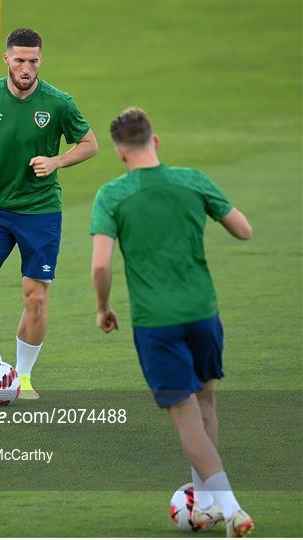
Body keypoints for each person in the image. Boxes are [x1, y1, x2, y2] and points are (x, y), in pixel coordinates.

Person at [90, 108, 254, 537]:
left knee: (185, 417)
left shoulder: (112, 195)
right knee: (206, 406)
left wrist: (103, 307)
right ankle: (204, 504)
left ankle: (230, 506)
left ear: (120, 152)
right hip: (203, 313)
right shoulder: (193, 180)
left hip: (155, 323)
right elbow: (244, 230)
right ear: (155, 141)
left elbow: (101, 265)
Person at [0, 28, 98, 399]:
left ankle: (23, 377)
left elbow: (90, 144)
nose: (26, 67)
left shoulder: (58, 103)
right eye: (20, 60)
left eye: (33, 61)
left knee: (36, 297)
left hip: (40, 212)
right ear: (7, 59)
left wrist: (57, 160)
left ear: (40, 60)